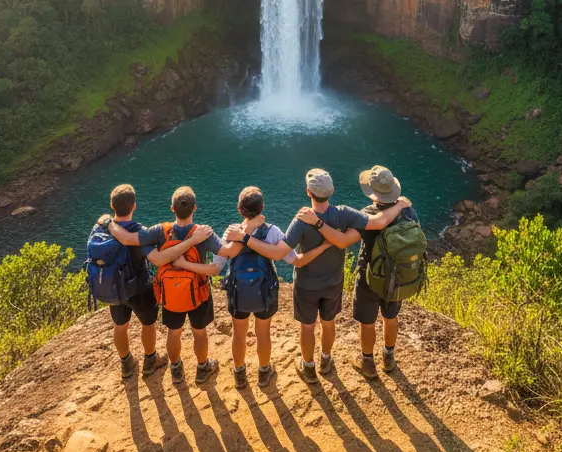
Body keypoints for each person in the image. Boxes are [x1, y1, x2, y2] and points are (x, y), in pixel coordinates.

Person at [235, 168, 409, 385]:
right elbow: (375, 224)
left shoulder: (301, 220)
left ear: (309, 192)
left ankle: (309, 368)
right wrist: (401, 204)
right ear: (332, 190)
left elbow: (278, 253)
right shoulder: (344, 214)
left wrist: (245, 238)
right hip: (334, 282)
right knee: (329, 322)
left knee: (307, 326)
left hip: (307, 284)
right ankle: (326, 360)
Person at [173, 186, 334, 389]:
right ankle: (264, 371)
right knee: (263, 333)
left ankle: (239, 373)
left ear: (240, 210)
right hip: (264, 292)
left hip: (238, 292)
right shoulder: (273, 232)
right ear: (262, 208)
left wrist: (183, 264)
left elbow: (215, 268)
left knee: (238, 334)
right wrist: (323, 246)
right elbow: (297, 261)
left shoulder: (231, 232)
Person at [299, 165, 420, 379]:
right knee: (391, 316)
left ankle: (367, 362)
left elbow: (343, 241)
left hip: (370, 276)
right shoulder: (408, 210)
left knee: (368, 321)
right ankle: (389, 357)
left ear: (373, 193)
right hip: (398, 275)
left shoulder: (369, 214)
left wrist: (318, 224)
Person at [109, 186, 223, 385]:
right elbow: (227, 251)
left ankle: (176, 369)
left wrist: (107, 222)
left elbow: (128, 239)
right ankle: (202, 367)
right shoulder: (204, 233)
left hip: (171, 293)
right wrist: (242, 234)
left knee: (174, 331)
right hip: (198, 291)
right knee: (199, 332)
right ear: (195, 208)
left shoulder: (158, 232)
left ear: (172, 208)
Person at [92, 183, 203, 380]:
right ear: (134, 206)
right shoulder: (138, 230)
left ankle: (126, 363)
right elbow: (157, 258)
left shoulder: (100, 227)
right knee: (148, 324)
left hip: (115, 288)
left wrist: (107, 221)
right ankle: (150, 360)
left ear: (112, 205)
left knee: (120, 325)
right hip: (139, 288)